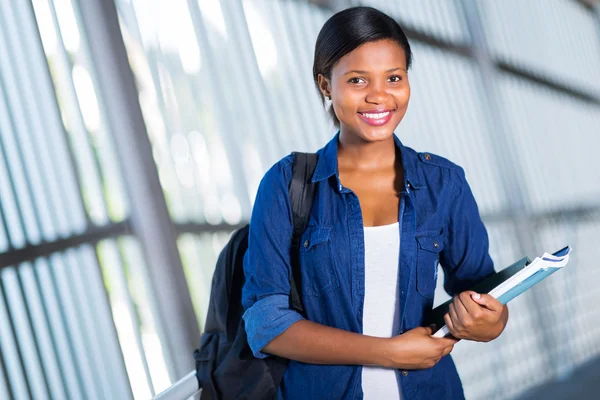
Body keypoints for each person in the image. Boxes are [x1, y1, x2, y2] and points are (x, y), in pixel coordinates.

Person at [241, 6, 508, 400]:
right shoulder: (286, 185)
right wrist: (388, 352)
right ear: (326, 85)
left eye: (394, 77)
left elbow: (479, 292)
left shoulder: (443, 183)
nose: (379, 95)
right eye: (357, 79)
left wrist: (492, 322)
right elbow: (266, 324)